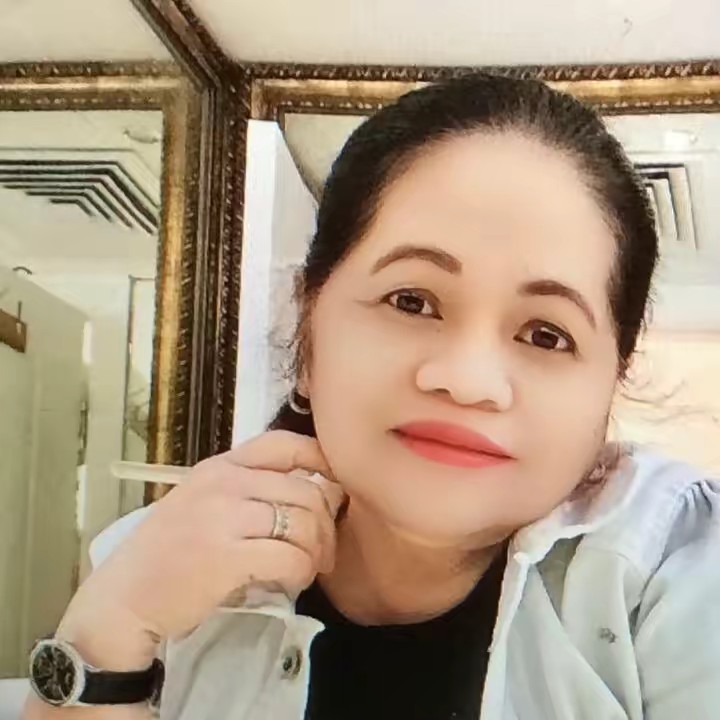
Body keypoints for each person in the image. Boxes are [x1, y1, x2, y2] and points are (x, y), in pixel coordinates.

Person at [24, 74, 720, 720]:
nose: (467, 380)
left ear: (610, 383)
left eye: (546, 335)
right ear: (307, 328)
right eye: (411, 300)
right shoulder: (160, 560)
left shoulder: (673, 572)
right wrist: (108, 633)